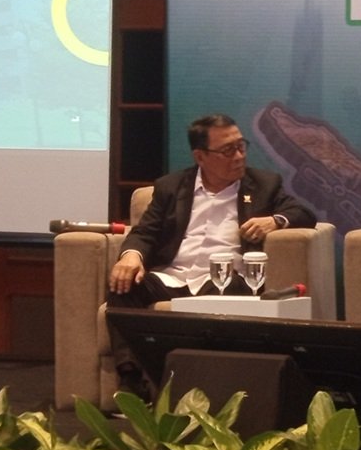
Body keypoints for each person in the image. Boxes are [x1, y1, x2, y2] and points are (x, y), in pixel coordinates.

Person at [107, 113, 317, 398]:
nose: (239, 156)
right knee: (122, 284)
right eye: (228, 150)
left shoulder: (263, 184)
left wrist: (275, 220)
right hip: (173, 277)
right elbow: (145, 232)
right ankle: (131, 381)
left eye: (241, 146)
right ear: (200, 156)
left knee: (226, 292)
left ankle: (207, 389)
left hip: (225, 278)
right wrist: (131, 256)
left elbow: (304, 213)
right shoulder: (171, 187)